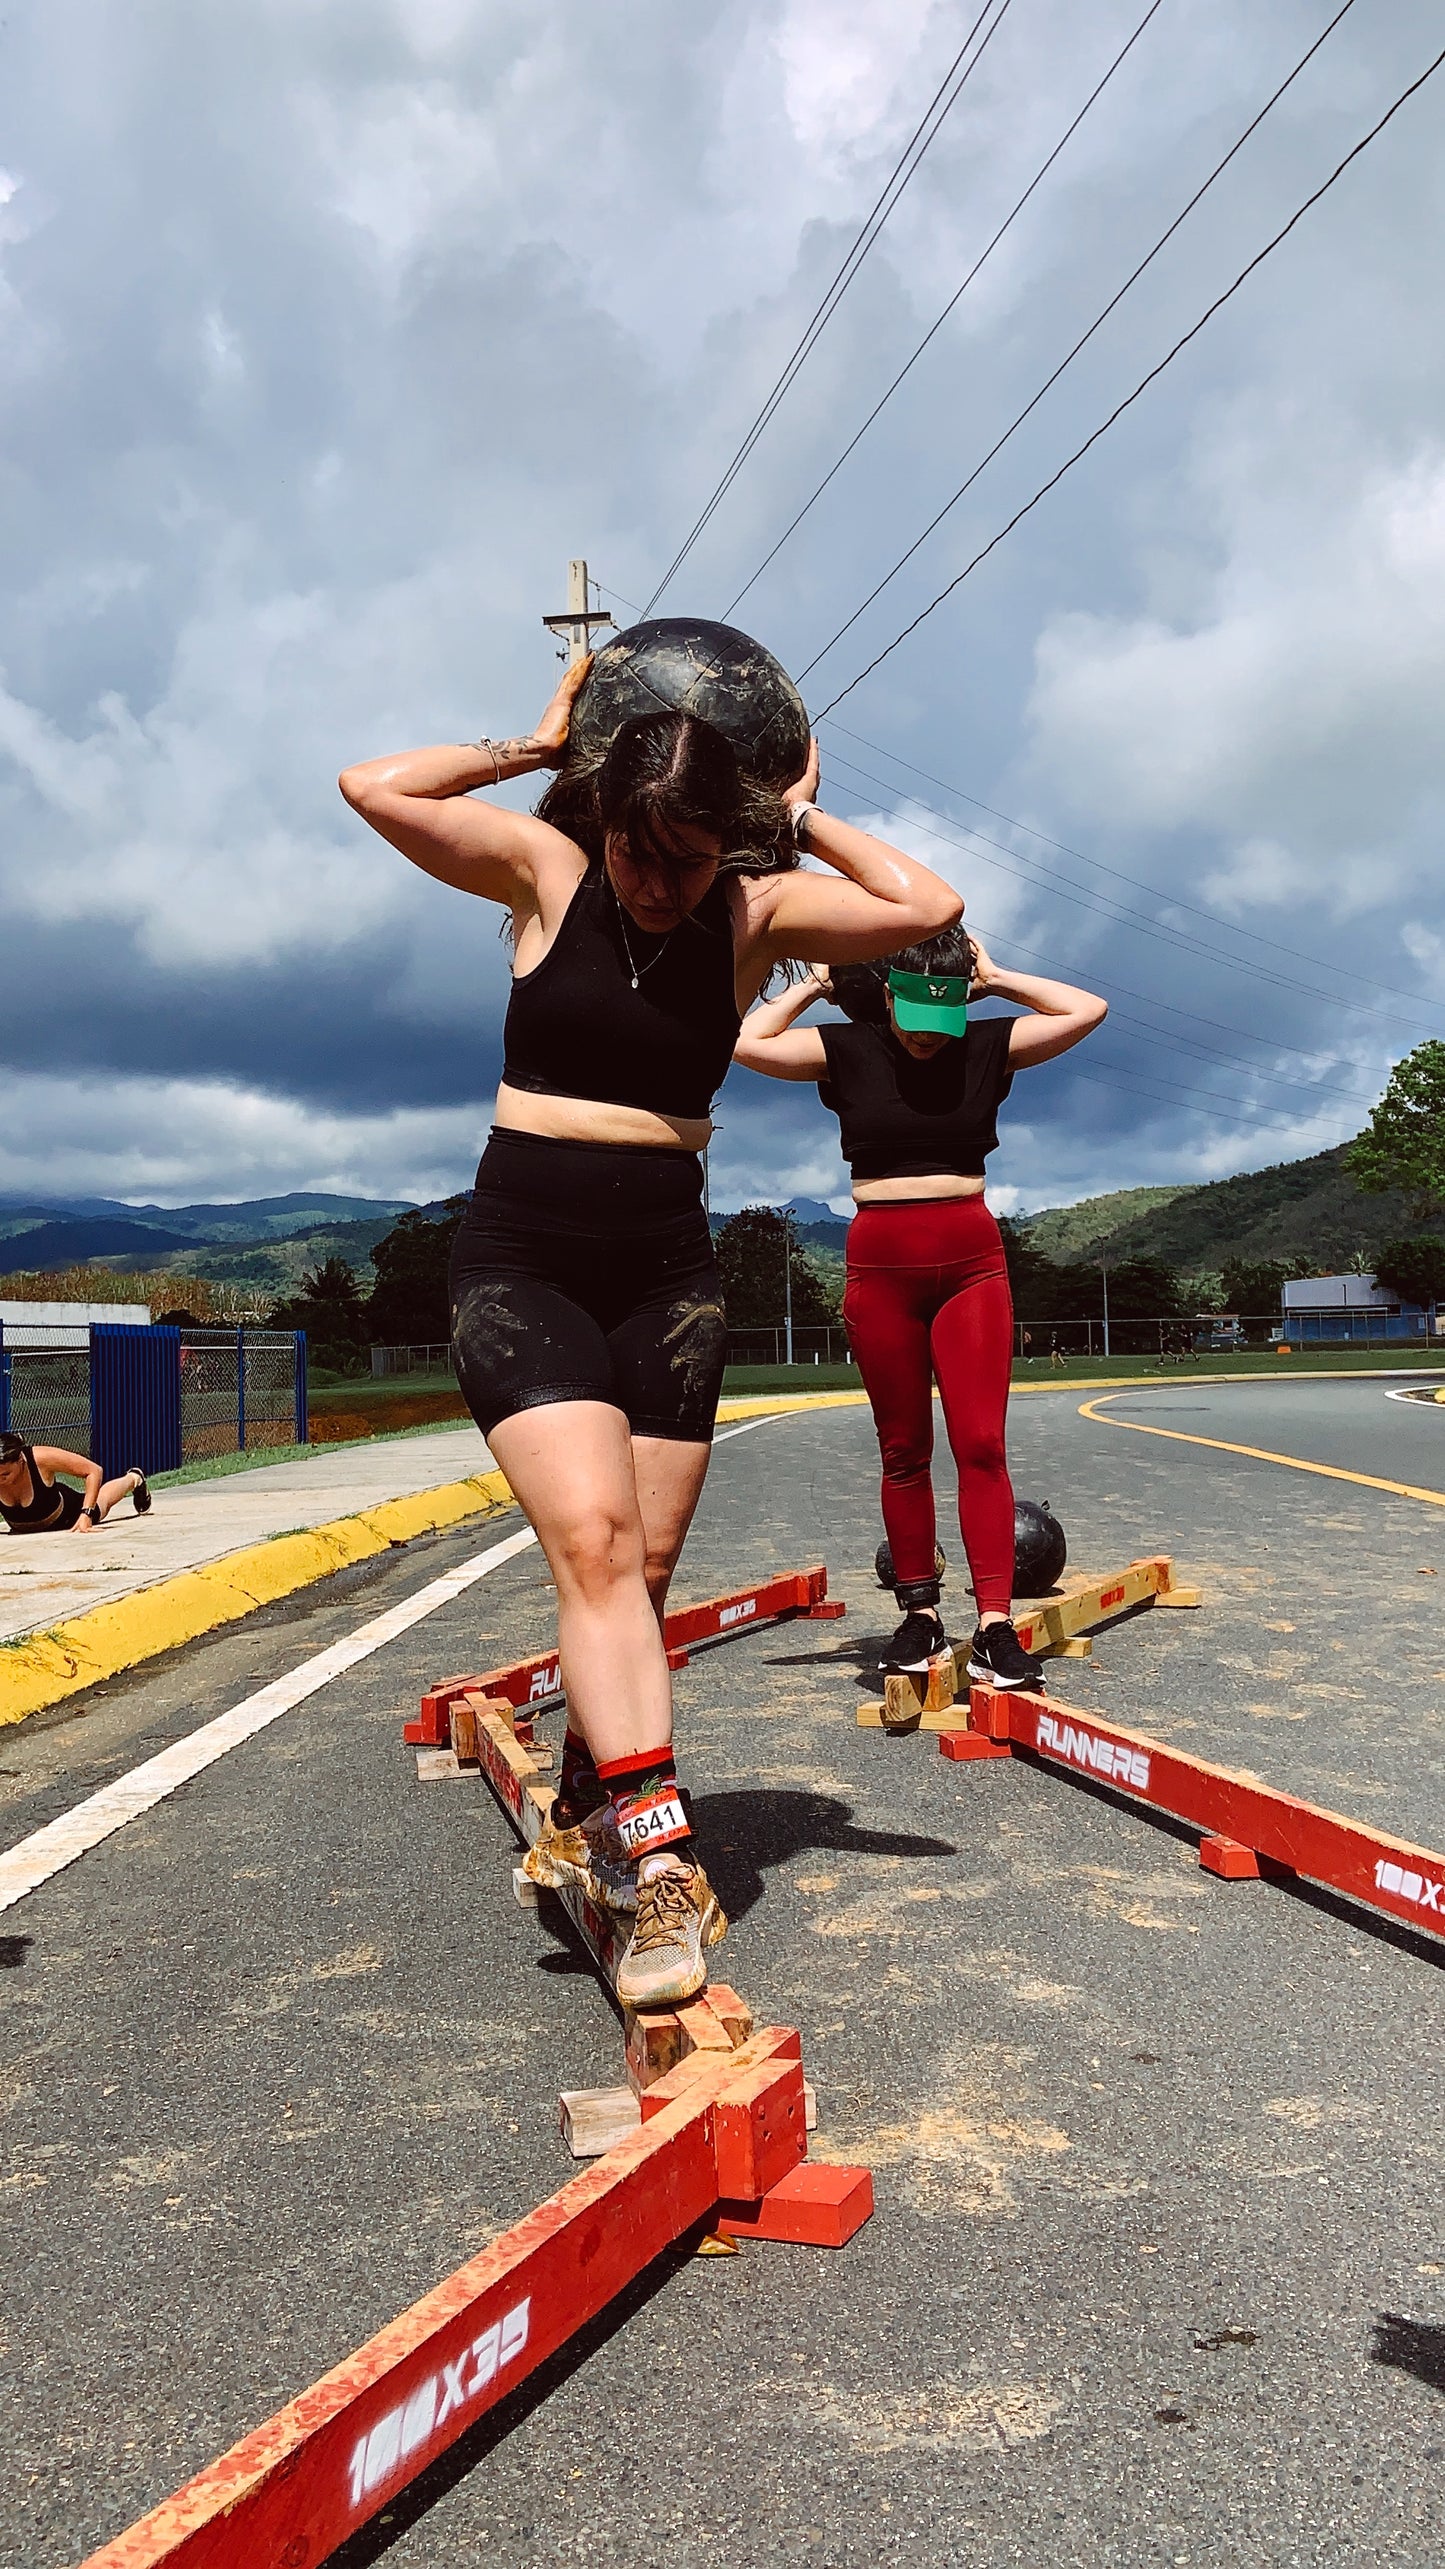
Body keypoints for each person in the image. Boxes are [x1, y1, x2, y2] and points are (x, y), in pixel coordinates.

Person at [338, 664, 962, 2004]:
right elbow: (373, 786)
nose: (658, 884)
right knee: (599, 1546)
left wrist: (788, 822)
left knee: (646, 1567)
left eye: (689, 858)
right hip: (524, 1259)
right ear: (605, 816)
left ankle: (586, 1809)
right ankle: (652, 1852)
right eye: (639, 849)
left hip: (665, 1272)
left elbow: (927, 908)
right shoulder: (544, 873)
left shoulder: (750, 910)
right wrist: (538, 744)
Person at [733, 927, 1106, 1696]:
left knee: (980, 1444)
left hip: (970, 1264)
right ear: (891, 995)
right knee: (902, 1448)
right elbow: (748, 1044)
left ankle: (994, 1626)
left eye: (943, 1024)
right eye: (914, 1021)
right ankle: (919, 1614)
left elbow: (1086, 1009)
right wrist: (817, 985)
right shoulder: (847, 1047)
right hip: (882, 1265)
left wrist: (996, 978)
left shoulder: (985, 1042)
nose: (928, 1042)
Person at [0, 1434, 150, 1534]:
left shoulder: (41, 1458)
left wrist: (86, 1514)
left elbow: (93, 1471)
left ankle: (134, 1478)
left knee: (101, 1503)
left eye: (5, 1474)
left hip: (66, 1515)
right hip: (24, 1526)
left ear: (20, 1460)